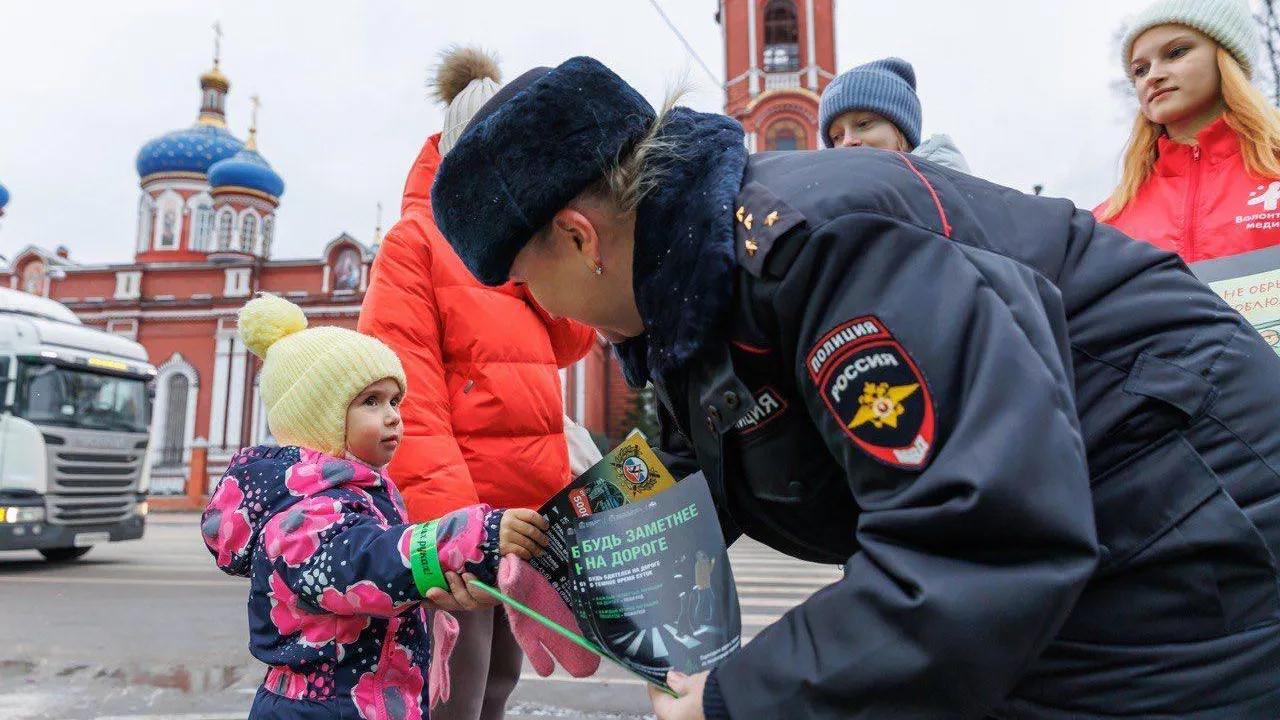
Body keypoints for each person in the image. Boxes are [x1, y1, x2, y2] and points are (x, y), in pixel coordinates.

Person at [430, 56, 1280, 718]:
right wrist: (584, 555)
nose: (540, 311)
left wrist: (738, 702)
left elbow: (979, 531)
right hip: (1100, 530)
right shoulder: (696, 280)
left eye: (523, 281)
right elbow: (702, 460)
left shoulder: (816, 246)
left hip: (1187, 521)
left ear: (580, 239)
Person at [357, 46, 597, 720]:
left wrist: (549, 250)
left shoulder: (507, 246)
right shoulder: (417, 243)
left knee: (498, 681)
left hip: (519, 521)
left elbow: (572, 339)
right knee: (451, 693)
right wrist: (454, 535)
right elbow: (410, 398)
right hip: (463, 526)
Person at [199, 293, 552, 720]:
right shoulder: (302, 514)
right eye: (371, 401)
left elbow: (377, 590)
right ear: (318, 416)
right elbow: (366, 562)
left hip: (369, 701)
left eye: (394, 401)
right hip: (322, 707)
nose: (393, 416)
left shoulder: (364, 493)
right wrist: (475, 536)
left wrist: (434, 591)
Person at [1097, 0, 1280, 262]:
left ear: (1227, 59)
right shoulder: (1104, 223)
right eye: (1140, 70)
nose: (1153, 76)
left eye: (1176, 52)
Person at [819, 57, 971, 173]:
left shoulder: (941, 193)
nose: (847, 141)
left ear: (902, 130)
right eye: (836, 137)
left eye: (863, 124)